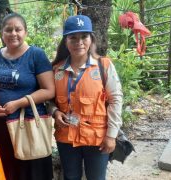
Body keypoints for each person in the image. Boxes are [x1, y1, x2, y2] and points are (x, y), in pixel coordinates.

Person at [0, 13, 55, 180]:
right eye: (8, 30)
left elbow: (49, 90)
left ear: (25, 32)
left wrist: (19, 103)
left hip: (27, 125)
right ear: (2, 33)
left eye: (18, 29)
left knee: (29, 170)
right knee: (3, 168)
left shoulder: (36, 55)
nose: (13, 33)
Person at [50, 15, 123, 180]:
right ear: (65, 41)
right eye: (73, 37)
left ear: (91, 39)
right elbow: (48, 98)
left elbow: (115, 100)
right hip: (66, 137)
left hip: (97, 138)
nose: (79, 42)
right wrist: (54, 111)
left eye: (84, 36)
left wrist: (111, 135)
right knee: (70, 177)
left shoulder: (103, 66)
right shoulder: (56, 70)